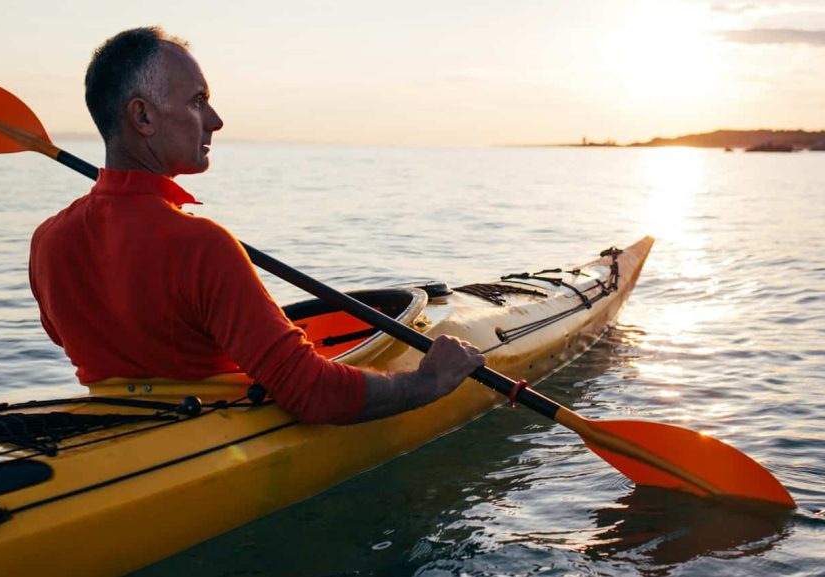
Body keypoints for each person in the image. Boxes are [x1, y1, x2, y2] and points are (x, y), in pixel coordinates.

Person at [29, 27, 484, 424]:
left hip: (111, 431)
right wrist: (429, 381)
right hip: (210, 433)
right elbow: (313, 394)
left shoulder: (48, 240)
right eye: (198, 101)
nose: (215, 121)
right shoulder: (201, 245)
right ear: (142, 116)